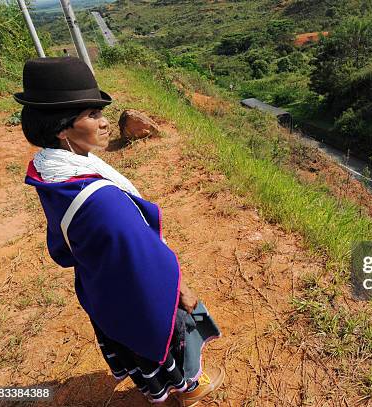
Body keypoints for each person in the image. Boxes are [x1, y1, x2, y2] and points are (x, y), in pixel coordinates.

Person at [15, 57, 225, 406]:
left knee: (132, 339)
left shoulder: (49, 170)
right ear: (61, 128)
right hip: (138, 290)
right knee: (162, 335)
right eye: (92, 115)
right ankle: (189, 388)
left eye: (101, 111)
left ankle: (156, 389)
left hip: (103, 286)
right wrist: (182, 290)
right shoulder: (103, 203)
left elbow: (63, 245)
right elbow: (146, 261)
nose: (104, 122)